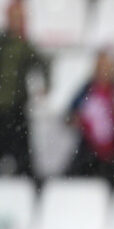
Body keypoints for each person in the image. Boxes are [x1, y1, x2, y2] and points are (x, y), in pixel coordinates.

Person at [64, 49, 114, 186]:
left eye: (107, 67)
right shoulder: (86, 89)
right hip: (89, 149)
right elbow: (69, 115)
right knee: (71, 179)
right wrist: (77, 119)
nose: (103, 72)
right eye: (100, 67)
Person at [0, 0, 49, 181]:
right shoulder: (3, 43)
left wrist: (45, 86)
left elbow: (43, 63)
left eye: (20, 18)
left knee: (23, 160)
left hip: (16, 109)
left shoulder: (25, 46)